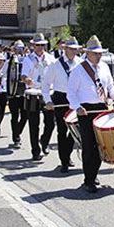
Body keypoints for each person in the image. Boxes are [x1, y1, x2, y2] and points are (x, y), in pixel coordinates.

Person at [67, 35, 114, 193]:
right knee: (88, 146)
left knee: (100, 144)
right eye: (95, 53)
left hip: (101, 107)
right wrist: (77, 107)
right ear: (87, 53)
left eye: (100, 53)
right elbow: (71, 92)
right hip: (85, 110)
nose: (98, 56)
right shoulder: (78, 70)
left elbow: (110, 86)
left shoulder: (104, 67)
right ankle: (88, 179)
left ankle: (94, 174)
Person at [42, 37, 82, 173]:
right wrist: (48, 100)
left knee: (74, 130)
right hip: (60, 98)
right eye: (71, 49)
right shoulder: (55, 64)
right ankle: (63, 161)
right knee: (62, 130)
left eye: (75, 49)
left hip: (75, 99)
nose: (73, 51)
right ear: (65, 49)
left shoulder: (80, 63)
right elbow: (46, 84)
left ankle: (67, 155)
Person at [21, 33, 56, 161]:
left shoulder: (51, 59)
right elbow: (23, 75)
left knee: (50, 122)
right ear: (33, 46)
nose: (40, 47)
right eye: (37, 45)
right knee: (33, 124)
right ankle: (35, 150)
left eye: (42, 45)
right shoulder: (28, 59)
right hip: (33, 92)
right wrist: (27, 80)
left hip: (47, 92)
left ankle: (44, 141)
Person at [6, 40, 27, 147]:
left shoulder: (27, 60)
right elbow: (7, 76)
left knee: (25, 116)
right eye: (17, 48)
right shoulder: (9, 60)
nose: (19, 50)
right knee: (14, 116)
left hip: (24, 93)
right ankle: (16, 138)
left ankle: (17, 132)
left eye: (21, 48)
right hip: (13, 93)